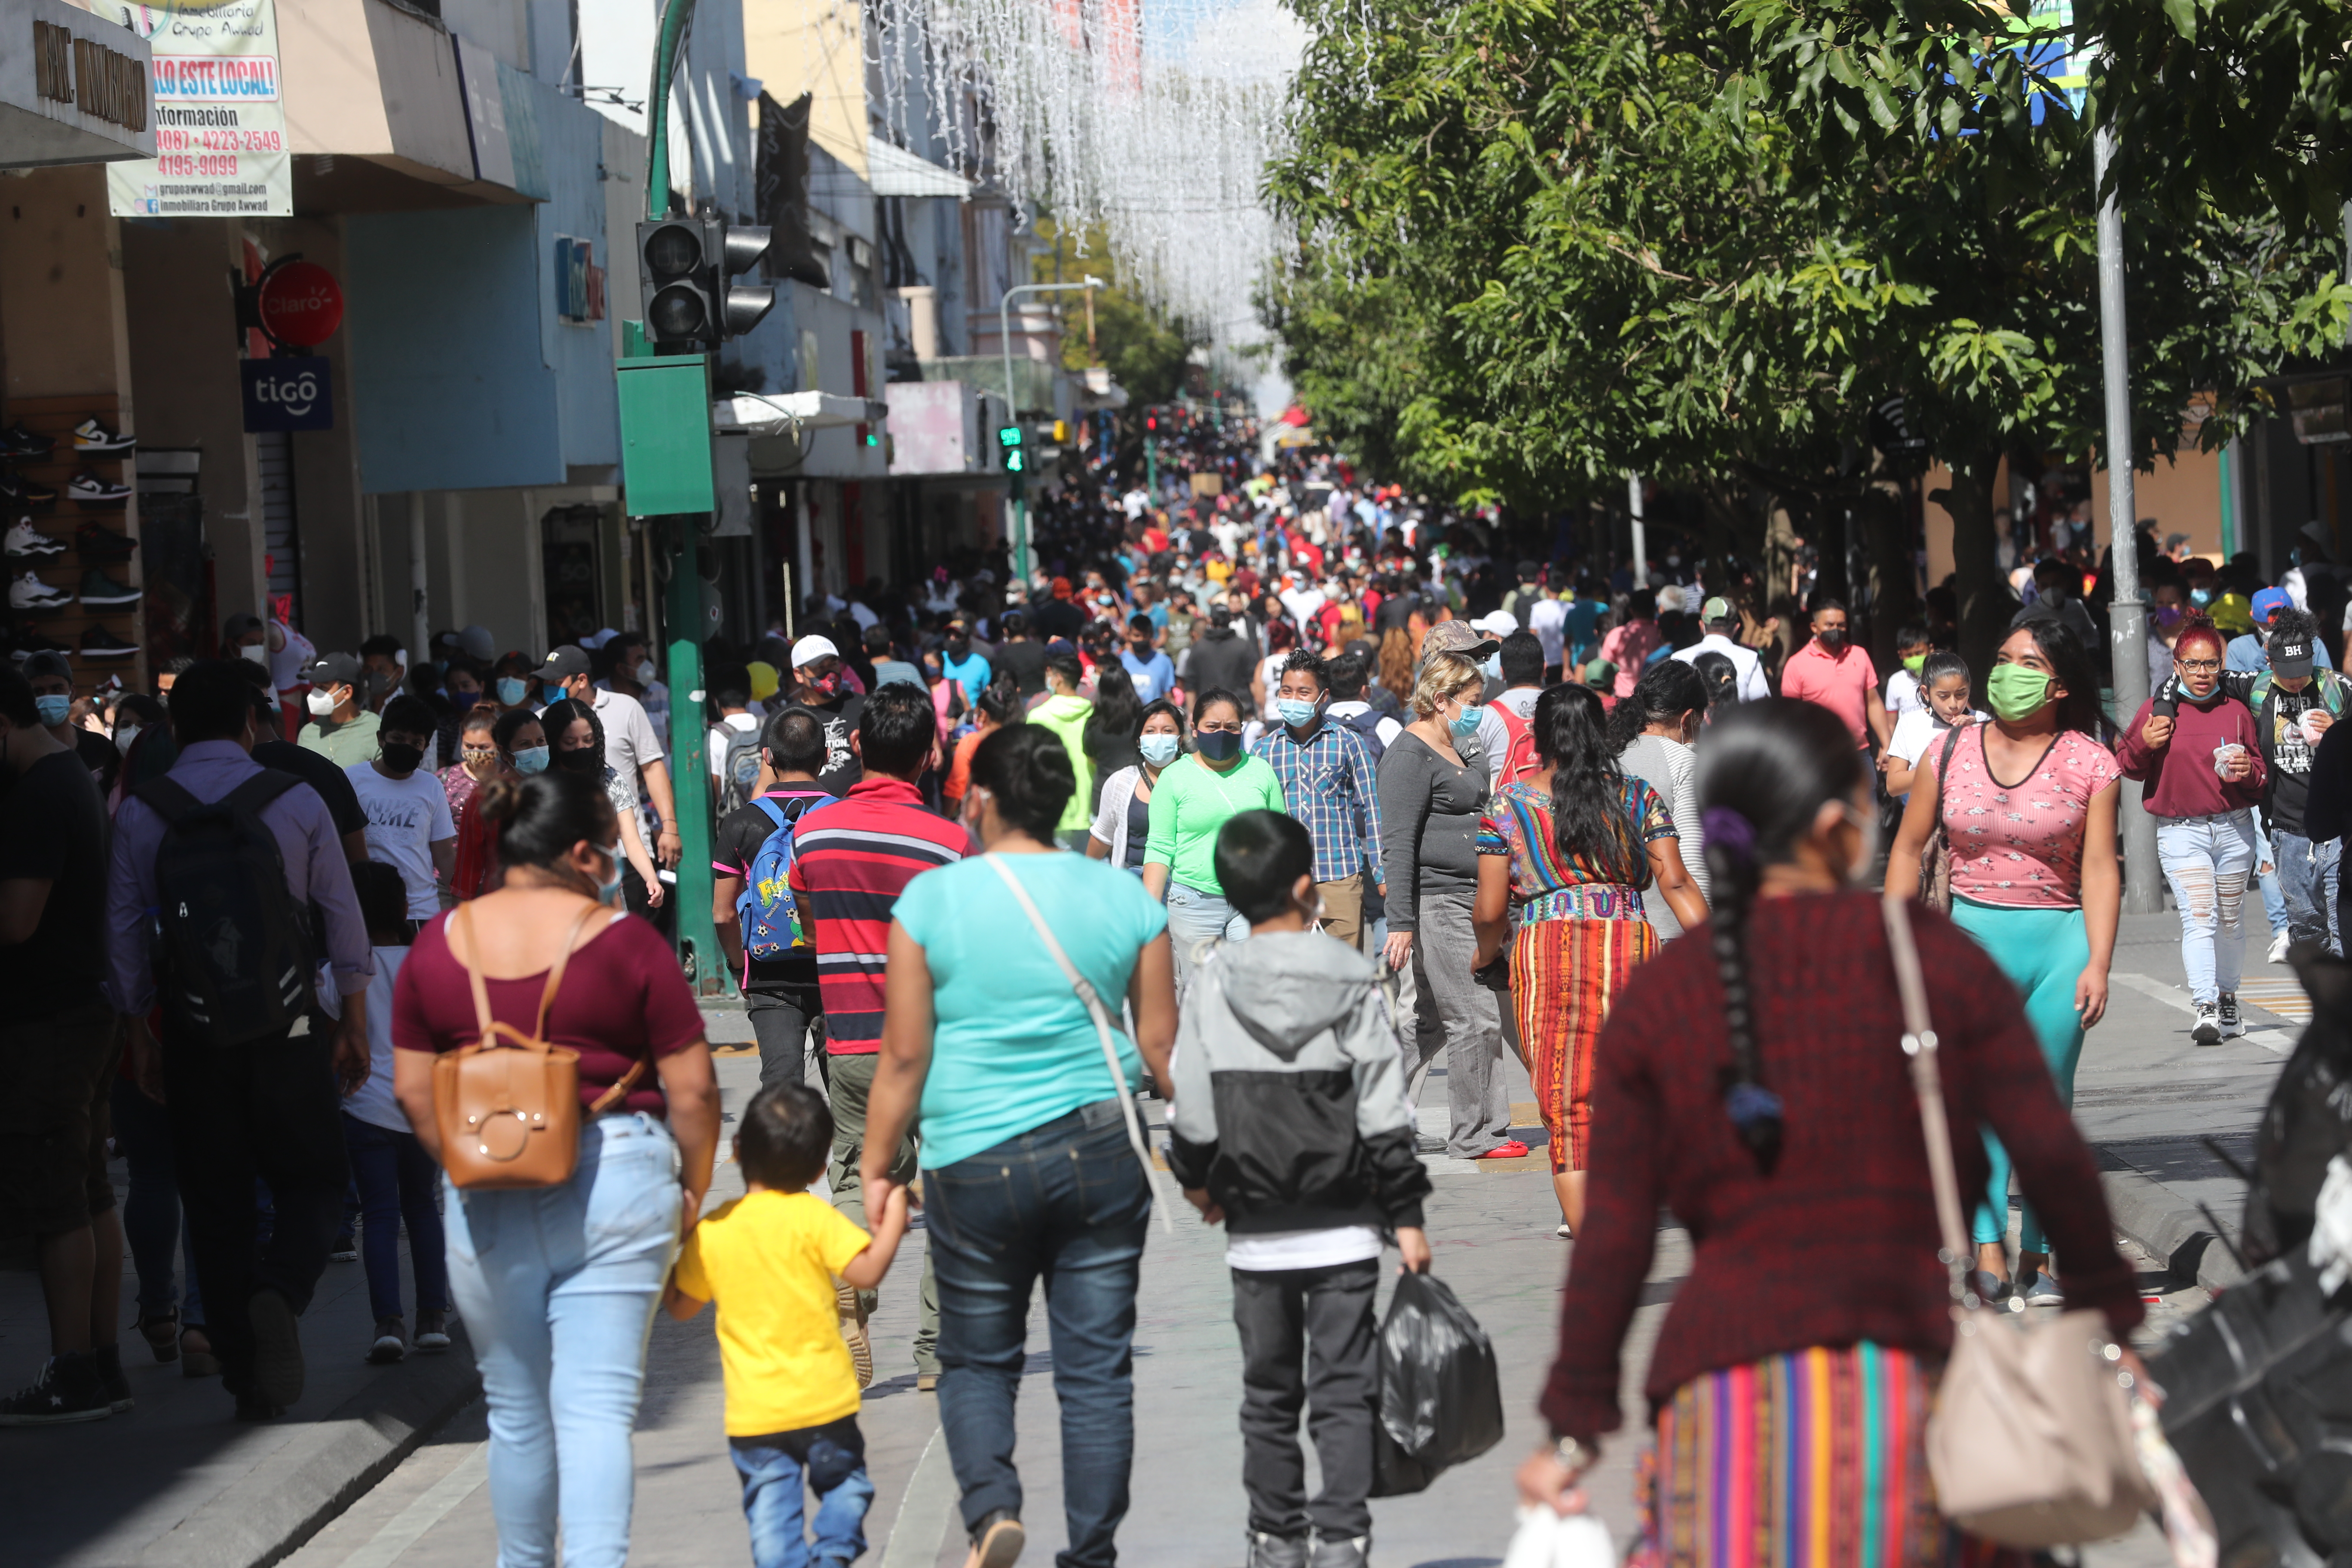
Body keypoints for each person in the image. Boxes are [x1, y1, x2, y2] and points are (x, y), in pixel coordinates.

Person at [1516, 698, 2148, 1560]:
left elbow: (1615, 1236)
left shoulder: (1666, 997)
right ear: (1832, 828)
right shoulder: (1933, 960)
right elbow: (2051, 1157)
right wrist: (2111, 1321)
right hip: (1920, 1386)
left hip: (1723, 1402)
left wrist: (1573, 1426)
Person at [863, 723, 1176, 1568]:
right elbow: (1159, 1050)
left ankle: (994, 1508)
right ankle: (1093, 1553)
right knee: (1097, 1372)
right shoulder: (1129, 903)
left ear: (980, 801)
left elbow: (902, 1054)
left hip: (974, 1153)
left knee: (976, 1356)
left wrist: (875, 1165)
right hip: (1105, 1151)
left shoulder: (930, 903)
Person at [389, 769, 720, 1567]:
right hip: (618, 1176)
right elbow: (694, 1087)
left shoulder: (439, 944)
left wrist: (467, 1159)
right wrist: (692, 1187)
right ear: (579, 852)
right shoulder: (626, 942)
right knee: (598, 1410)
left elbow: (409, 1087)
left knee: (515, 1409)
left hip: (485, 1188)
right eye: (605, 848)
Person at [104, 660, 373, 1419]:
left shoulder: (140, 811)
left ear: (176, 730)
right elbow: (341, 912)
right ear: (253, 724)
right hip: (290, 1026)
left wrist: (140, 1034)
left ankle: (244, 1378)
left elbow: (123, 936)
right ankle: (279, 1288)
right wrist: (352, 1016)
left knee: (214, 1200)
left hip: (192, 1033)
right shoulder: (296, 797)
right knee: (317, 1179)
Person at [1167, 811, 1431, 1568]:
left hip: (1255, 1228)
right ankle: (1343, 1536)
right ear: (1306, 887)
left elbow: (1193, 1107)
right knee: (1345, 1389)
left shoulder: (1213, 979)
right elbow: (1383, 1108)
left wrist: (1200, 1185)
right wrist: (1405, 1214)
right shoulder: (1354, 980)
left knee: (1268, 1394)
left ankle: (1276, 1538)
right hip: (1347, 1225)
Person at [1886, 619, 2119, 1302]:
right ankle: (1988, 1249)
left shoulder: (2090, 762)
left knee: (2046, 1102)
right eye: (2004, 657)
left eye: (2029, 661)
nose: (2009, 670)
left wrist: (2099, 962)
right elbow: (1907, 849)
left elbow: (2102, 871)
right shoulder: (1949, 750)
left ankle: (2040, 1258)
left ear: (2060, 683)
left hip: (2061, 945)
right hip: (1967, 947)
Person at [1479, 683, 1705, 1237]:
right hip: (1629, 944)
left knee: (1568, 1103)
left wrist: (1485, 957)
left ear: (1539, 737)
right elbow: (1675, 882)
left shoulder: (1508, 805)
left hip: (1545, 954)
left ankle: (1599, 1248)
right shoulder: (1637, 797)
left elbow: (1489, 910)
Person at [786, 684, 962, 1387]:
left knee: (864, 1177)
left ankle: (852, 1301)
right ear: (929, 756)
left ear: (856, 744)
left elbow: (805, 921)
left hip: (852, 1039)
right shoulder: (947, 843)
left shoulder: (813, 832)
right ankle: (933, 1353)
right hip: (937, 1045)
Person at [665, 1084, 907, 1568]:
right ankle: (835, 1552)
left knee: (772, 1519)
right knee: (845, 1487)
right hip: (826, 1404)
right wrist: (895, 1217)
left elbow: (681, 1308)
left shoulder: (717, 1229)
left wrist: (679, 1236)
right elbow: (866, 1272)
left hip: (757, 1415)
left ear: (737, 1152)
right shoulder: (815, 1217)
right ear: (821, 1168)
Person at [0, 665, 126, 1423]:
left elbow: (17, 919)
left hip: (49, 1023)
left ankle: (73, 1370)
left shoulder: (42, 794)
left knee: (57, 1203)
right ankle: (101, 1361)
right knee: (87, 1189)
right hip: (83, 1010)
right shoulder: (68, 776)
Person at [1378, 651, 1517, 1161]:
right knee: (1476, 1018)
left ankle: (1368, 1113)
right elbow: (1397, 841)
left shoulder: (1457, 746)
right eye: (1472, 702)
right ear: (1441, 700)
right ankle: (1477, 1135)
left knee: (1431, 1024)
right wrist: (1401, 924)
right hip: (1440, 903)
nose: (1478, 711)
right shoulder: (1409, 756)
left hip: (1472, 895)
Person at [2114, 615, 2265, 1043]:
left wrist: (2247, 770)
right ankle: (2206, 1008)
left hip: (2235, 829)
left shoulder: (2236, 711)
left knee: (2231, 922)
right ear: (2177, 665)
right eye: (2193, 664)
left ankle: (2229, 996)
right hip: (2182, 832)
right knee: (2200, 919)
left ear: (2222, 665)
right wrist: (2146, 740)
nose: (2202, 674)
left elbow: (2259, 775)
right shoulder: (2158, 709)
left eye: (2211, 664)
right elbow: (2127, 764)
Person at [334, 861, 451, 1365]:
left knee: (377, 1217)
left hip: (365, 1107)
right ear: (406, 907)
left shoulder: (338, 972)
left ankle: (389, 1323)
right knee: (423, 1207)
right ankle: (433, 1318)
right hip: (425, 1107)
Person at [712, 708, 836, 1093]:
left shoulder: (739, 823)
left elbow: (722, 914)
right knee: (848, 1093)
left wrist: (739, 968)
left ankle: (788, 1155)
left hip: (769, 976)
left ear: (768, 757)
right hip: (836, 972)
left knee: (782, 1089)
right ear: (827, 755)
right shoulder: (846, 818)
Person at [1143, 688, 1289, 989]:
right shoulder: (1173, 778)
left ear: (1242, 729)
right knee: (1201, 995)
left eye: (1231, 727)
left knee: (1254, 989)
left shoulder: (1261, 772)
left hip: (1253, 901)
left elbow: (1281, 840)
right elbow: (1159, 848)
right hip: (1193, 903)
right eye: (1212, 727)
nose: (1222, 733)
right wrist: (1146, 911)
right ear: (1195, 729)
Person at [2226, 610, 2346, 957]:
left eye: (2304, 671)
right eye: (2288, 673)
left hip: (2339, 827)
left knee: (2342, 921)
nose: (2297, 681)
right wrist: (2162, 703)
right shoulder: (2257, 687)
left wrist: (2337, 728)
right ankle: (2326, 997)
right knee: (2306, 924)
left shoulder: (2335, 686)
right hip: (2288, 828)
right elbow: (2198, 680)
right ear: (2269, 662)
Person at [1250, 650, 1386, 951]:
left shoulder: (1348, 743)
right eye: (1287, 691)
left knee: (1345, 978)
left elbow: (1373, 807)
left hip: (1339, 876)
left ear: (1323, 696)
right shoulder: (1262, 751)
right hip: (1285, 884)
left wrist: (1381, 871)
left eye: (1303, 692)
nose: (1293, 698)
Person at [535, 644, 682, 876]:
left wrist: (670, 826)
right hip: (566, 858)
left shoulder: (626, 708)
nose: (550, 689)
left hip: (628, 850)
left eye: (557, 683)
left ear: (581, 680)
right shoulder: (540, 720)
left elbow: (652, 768)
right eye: (570, 742)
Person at [1607, 659, 1713, 936]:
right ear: (1689, 718)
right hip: (1664, 932)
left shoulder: (1608, 757)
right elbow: (1692, 862)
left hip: (1605, 931)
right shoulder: (1682, 761)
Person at [541, 698, 665, 917]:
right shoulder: (542, 785)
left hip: (606, 893)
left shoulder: (611, 780)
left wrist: (651, 878)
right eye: (570, 742)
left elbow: (631, 838)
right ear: (554, 741)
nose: (581, 747)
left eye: (588, 740)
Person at [346, 695, 457, 928]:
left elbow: (445, 855)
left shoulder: (432, 786)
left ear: (426, 747)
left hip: (420, 912)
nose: (406, 747)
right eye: (398, 738)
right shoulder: (351, 779)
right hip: (363, 910)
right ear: (381, 739)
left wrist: (464, 903)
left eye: (416, 743)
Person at [1778, 598, 1892, 755]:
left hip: (1859, 753)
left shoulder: (1859, 655)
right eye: (1829, 625)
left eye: (1841, 625)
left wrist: (1887, 744)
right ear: (1814, 627)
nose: (1836, 630)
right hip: (1818, 755)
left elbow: (1873, 701)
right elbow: (1790, 714)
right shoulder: (1797, 664)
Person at [1090, 698, 1185, 875]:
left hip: (1179, 885)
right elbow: (1102, 836)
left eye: (1168, 731)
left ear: (1180, 740)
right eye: (1150, 731)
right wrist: (1084, 875)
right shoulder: (1120, 782)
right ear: (1139, 741)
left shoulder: (1192, 779)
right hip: (1131, 880)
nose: (1159, 738)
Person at [1880, 649, 1985, 800]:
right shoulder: (1910, 723)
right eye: (1943, 696)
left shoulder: (1983, 722)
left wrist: (1974, 731)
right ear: (1926, 693)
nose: (1953, 705)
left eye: (1961, 694)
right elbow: (1893, 785)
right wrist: (1942, 769)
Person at [782, 634, 869, 798]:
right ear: (799, 674)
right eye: (819, 668)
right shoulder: (783, 719)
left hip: (857, 815)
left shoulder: (866, 709)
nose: (829, 673)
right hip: (804, 818)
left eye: (833, 664)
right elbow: (765, 782)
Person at [1029, 651, 1099, 849]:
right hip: (1090, 806)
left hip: (1053, 807)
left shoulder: (1038, 716)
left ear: (1058, 678)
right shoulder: (1093, 714)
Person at [23, 649, 118, 796]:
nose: (49, 697)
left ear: (72, 692)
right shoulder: (20, 754)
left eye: (57, 689)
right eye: (38, 692)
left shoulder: (99, 747)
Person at [1668, 597, 1769, 701]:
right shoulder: (1750, 659)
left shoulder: (1679, 658)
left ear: (1701, 625)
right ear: (1737, 628)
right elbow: (1761, 706)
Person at [297, 652, 384, 768]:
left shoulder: (376, 730)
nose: (315, 693)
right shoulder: (308, 733)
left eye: (323, 687)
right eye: (316, 686)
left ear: (347, 692)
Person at [1084, 659, 1145, 817]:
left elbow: (1092, 758)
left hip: (1103, 798)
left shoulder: (1093, 724)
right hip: (1138, 797)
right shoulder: (1144, 721)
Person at [1186, 603, 1261, 703]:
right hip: (1239, 709)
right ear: (1230, 619)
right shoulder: (1243, 646)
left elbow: (1190, 685)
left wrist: (1192, 713)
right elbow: (1253, 681)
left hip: (1209, 709)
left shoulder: (1198, 647)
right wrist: (1260, 708)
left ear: (1210, 620)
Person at [1597, 588, 1660, 701]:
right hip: (1657, 699)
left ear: (1631, 611)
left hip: (1624, 700)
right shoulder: (1662, 634)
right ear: (1654, 609)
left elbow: (1604, 669)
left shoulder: (1617, 635)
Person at [1120, 613, 1176, 704]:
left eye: (1145, 636)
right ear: (1129, 635)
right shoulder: (1120, 661)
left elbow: (1168, 695)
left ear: (1152, 635)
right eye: (1137, 636)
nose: (1141, 640)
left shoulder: (1164, 662)